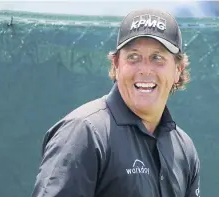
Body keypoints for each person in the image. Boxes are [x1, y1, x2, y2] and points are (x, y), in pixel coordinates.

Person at [31, 8, 200, 197]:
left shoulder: (184, 148)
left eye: (157, 58)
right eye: (133, 57)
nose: (145, 69)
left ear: (178, 69)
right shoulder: (83, 132)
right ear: (116, 65)